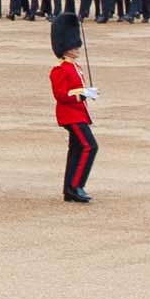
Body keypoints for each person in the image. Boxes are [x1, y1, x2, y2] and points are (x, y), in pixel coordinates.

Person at [49, 12, 96, 203]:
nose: (77, 48)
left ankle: (70, 189)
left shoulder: (75, 67)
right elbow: (60, 95)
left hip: (78, 113)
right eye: (73, 46)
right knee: (89, 146)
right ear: (65, 48)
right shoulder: (59, 69)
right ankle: (77, 186)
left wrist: (88, 92)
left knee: (76, 149)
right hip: (70, 115)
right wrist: (82, 94)